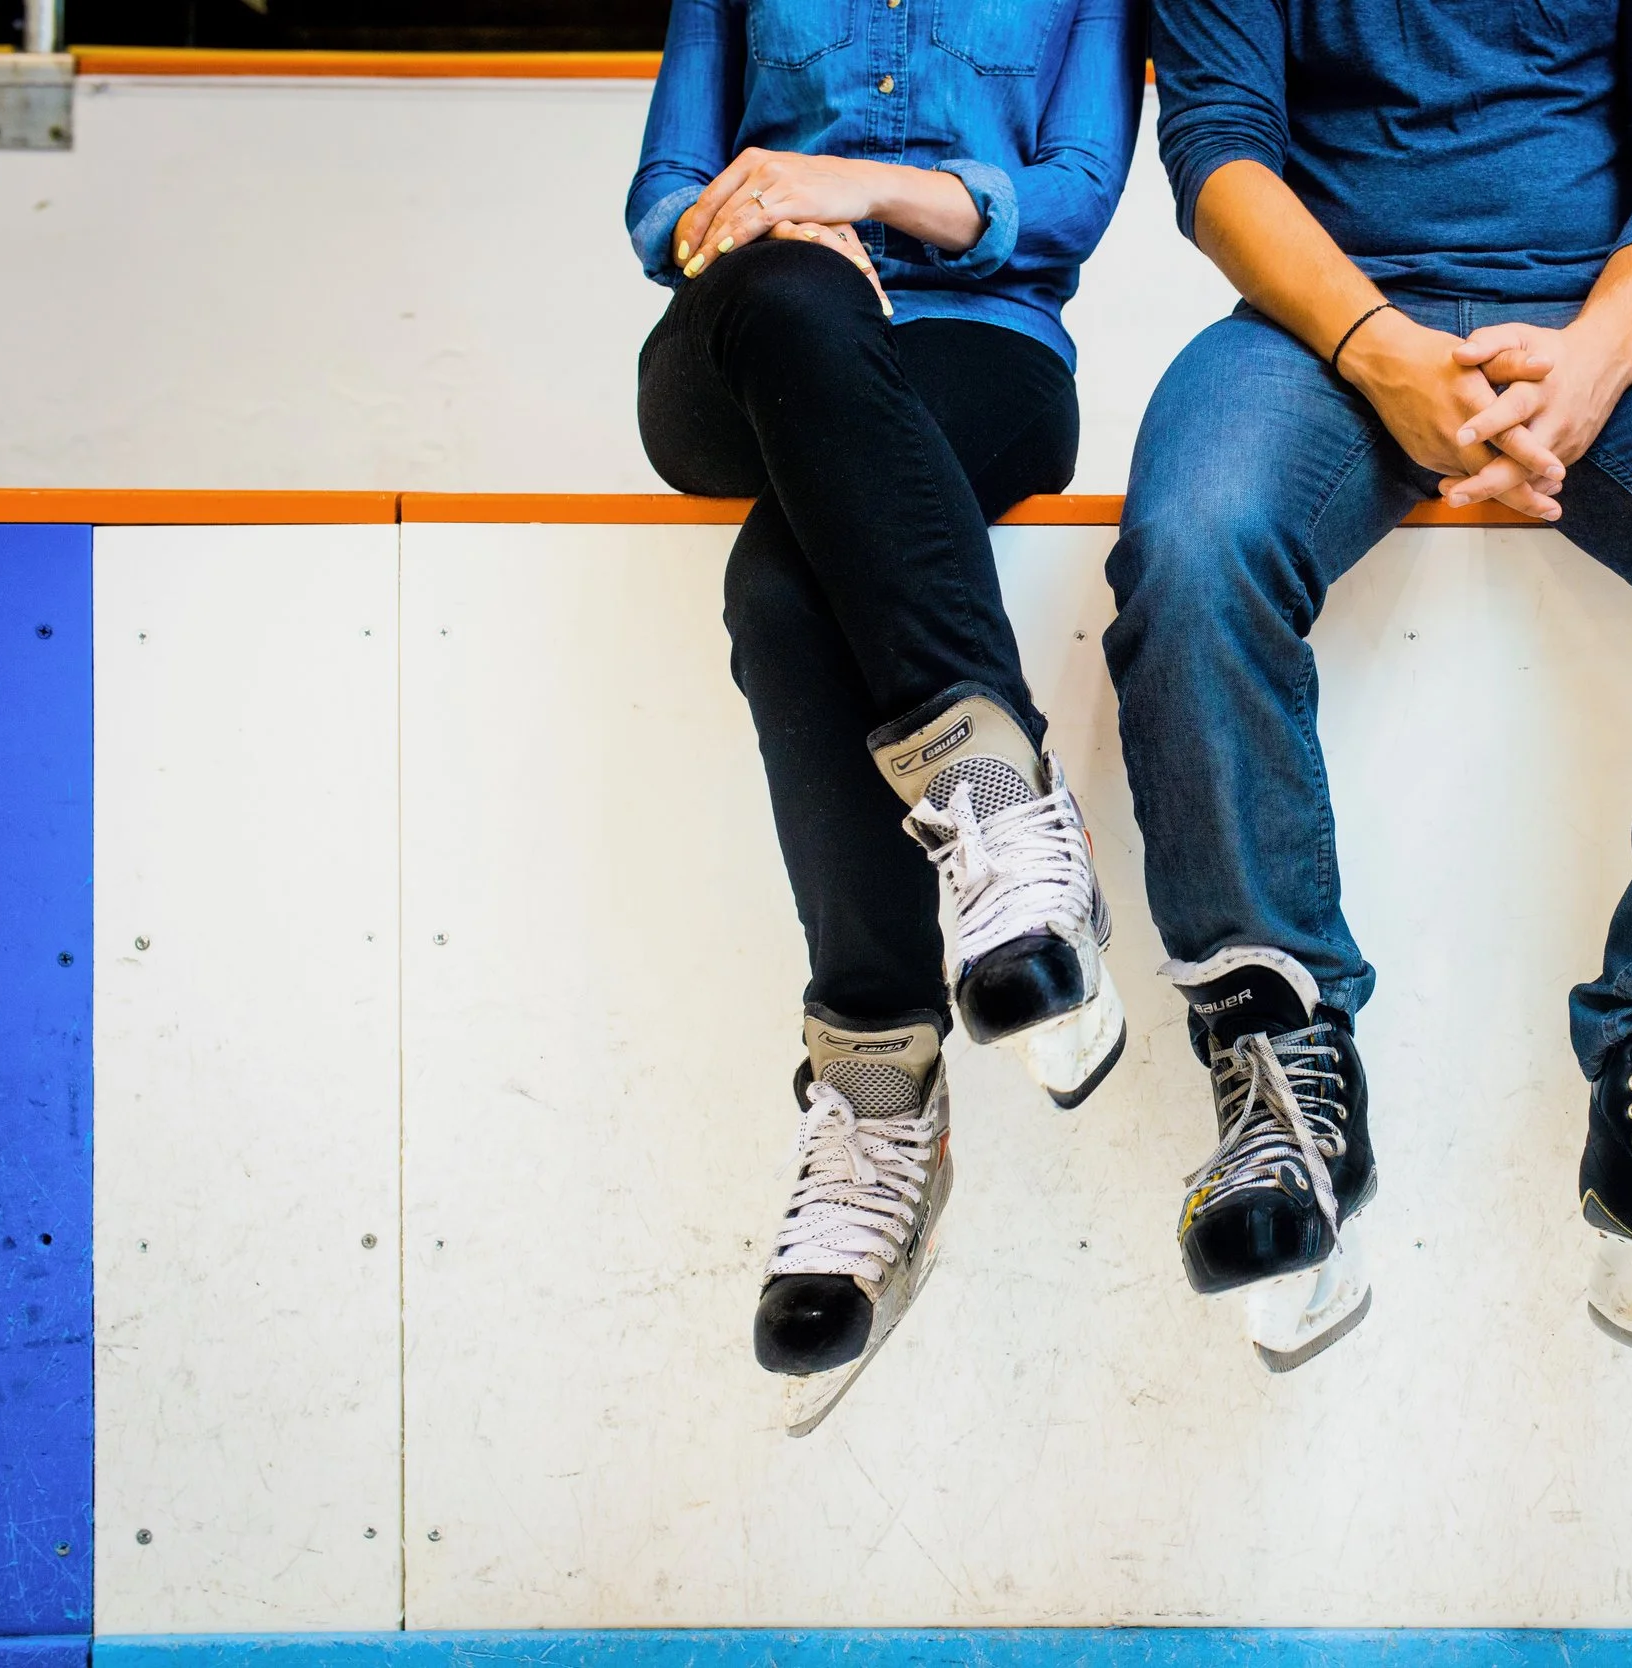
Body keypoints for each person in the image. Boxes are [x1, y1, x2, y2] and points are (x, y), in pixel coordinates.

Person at [1107, 0, 1632, 1383]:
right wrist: (1376, 347)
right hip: (1318, 340)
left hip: (1613, 332)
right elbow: (1219, 152)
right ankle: (1278, 1064)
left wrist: (1596, 356)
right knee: (1192, 547)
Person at [625, 0, 1143, 1429]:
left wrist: (850, 186)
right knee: (797, 298)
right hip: (750, 340)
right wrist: (764, 224)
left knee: (788, 601)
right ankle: (1003, 806)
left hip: (982, 350)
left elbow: (1077, 196)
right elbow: (661, 194)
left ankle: (878, 1091)